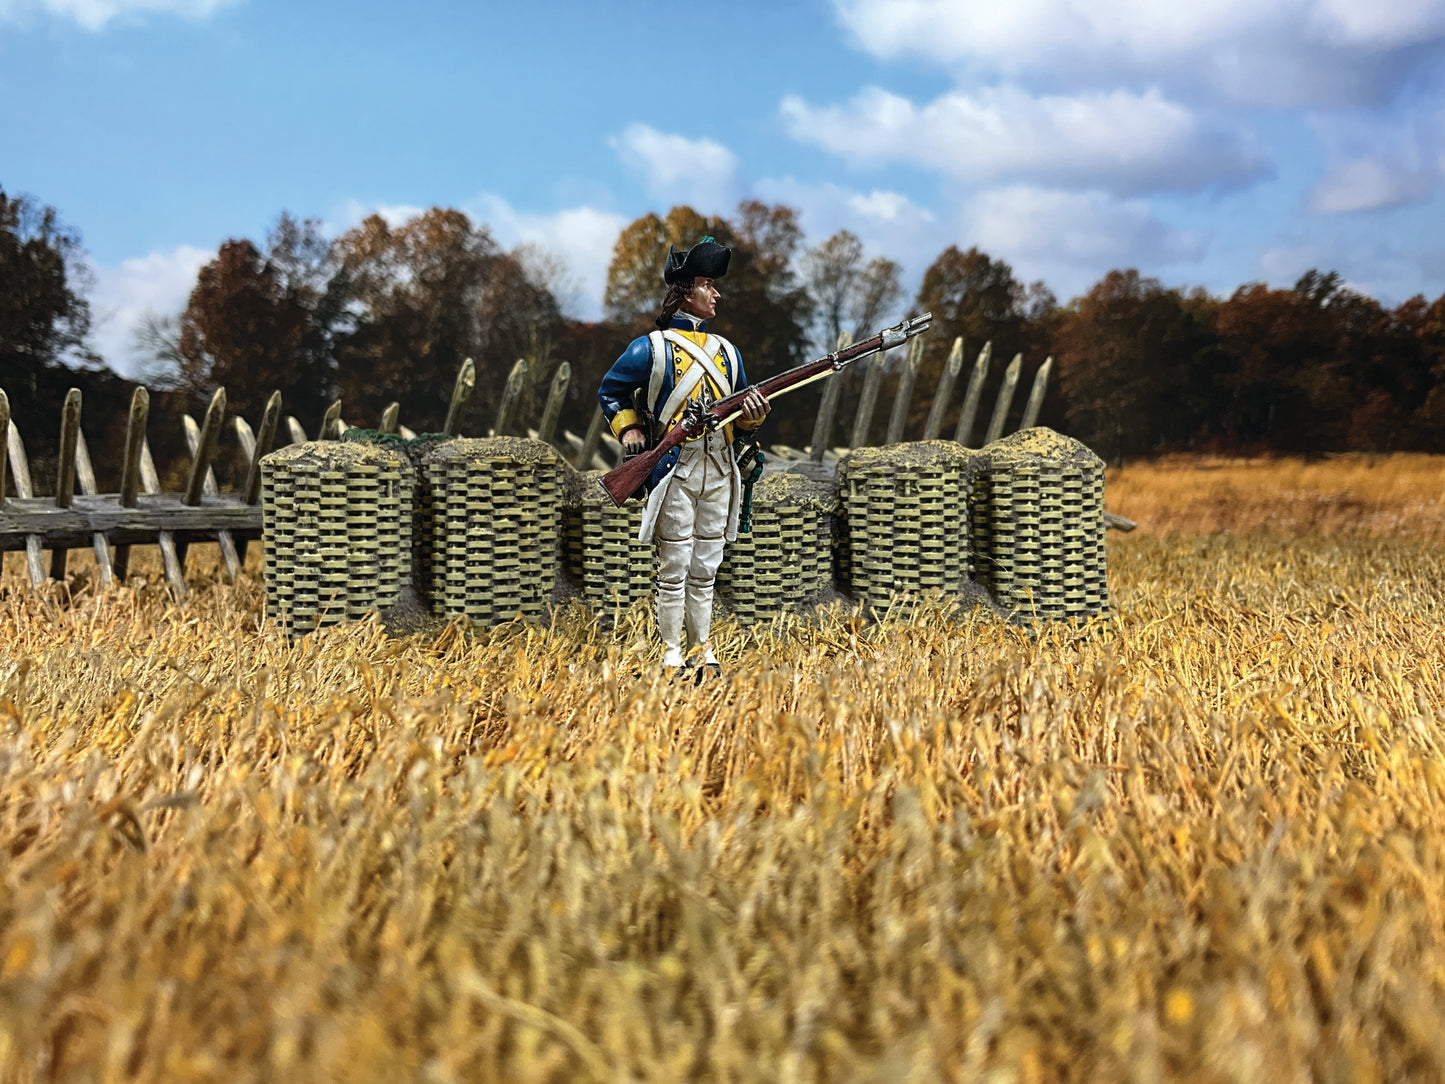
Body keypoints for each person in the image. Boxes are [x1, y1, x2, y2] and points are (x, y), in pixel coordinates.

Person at [598, 236, 770, 677]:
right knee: (673, 564)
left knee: (707, 566)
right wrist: (632, 428)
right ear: (687, 291)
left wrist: (751, 419)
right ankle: (672, 651)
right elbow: (612, 391)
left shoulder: (729, 354)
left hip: (718, 469)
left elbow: (740, 415)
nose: (717, 294)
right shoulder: (649, 349)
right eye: (708, 284)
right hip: (675, 469)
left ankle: (703, 649)